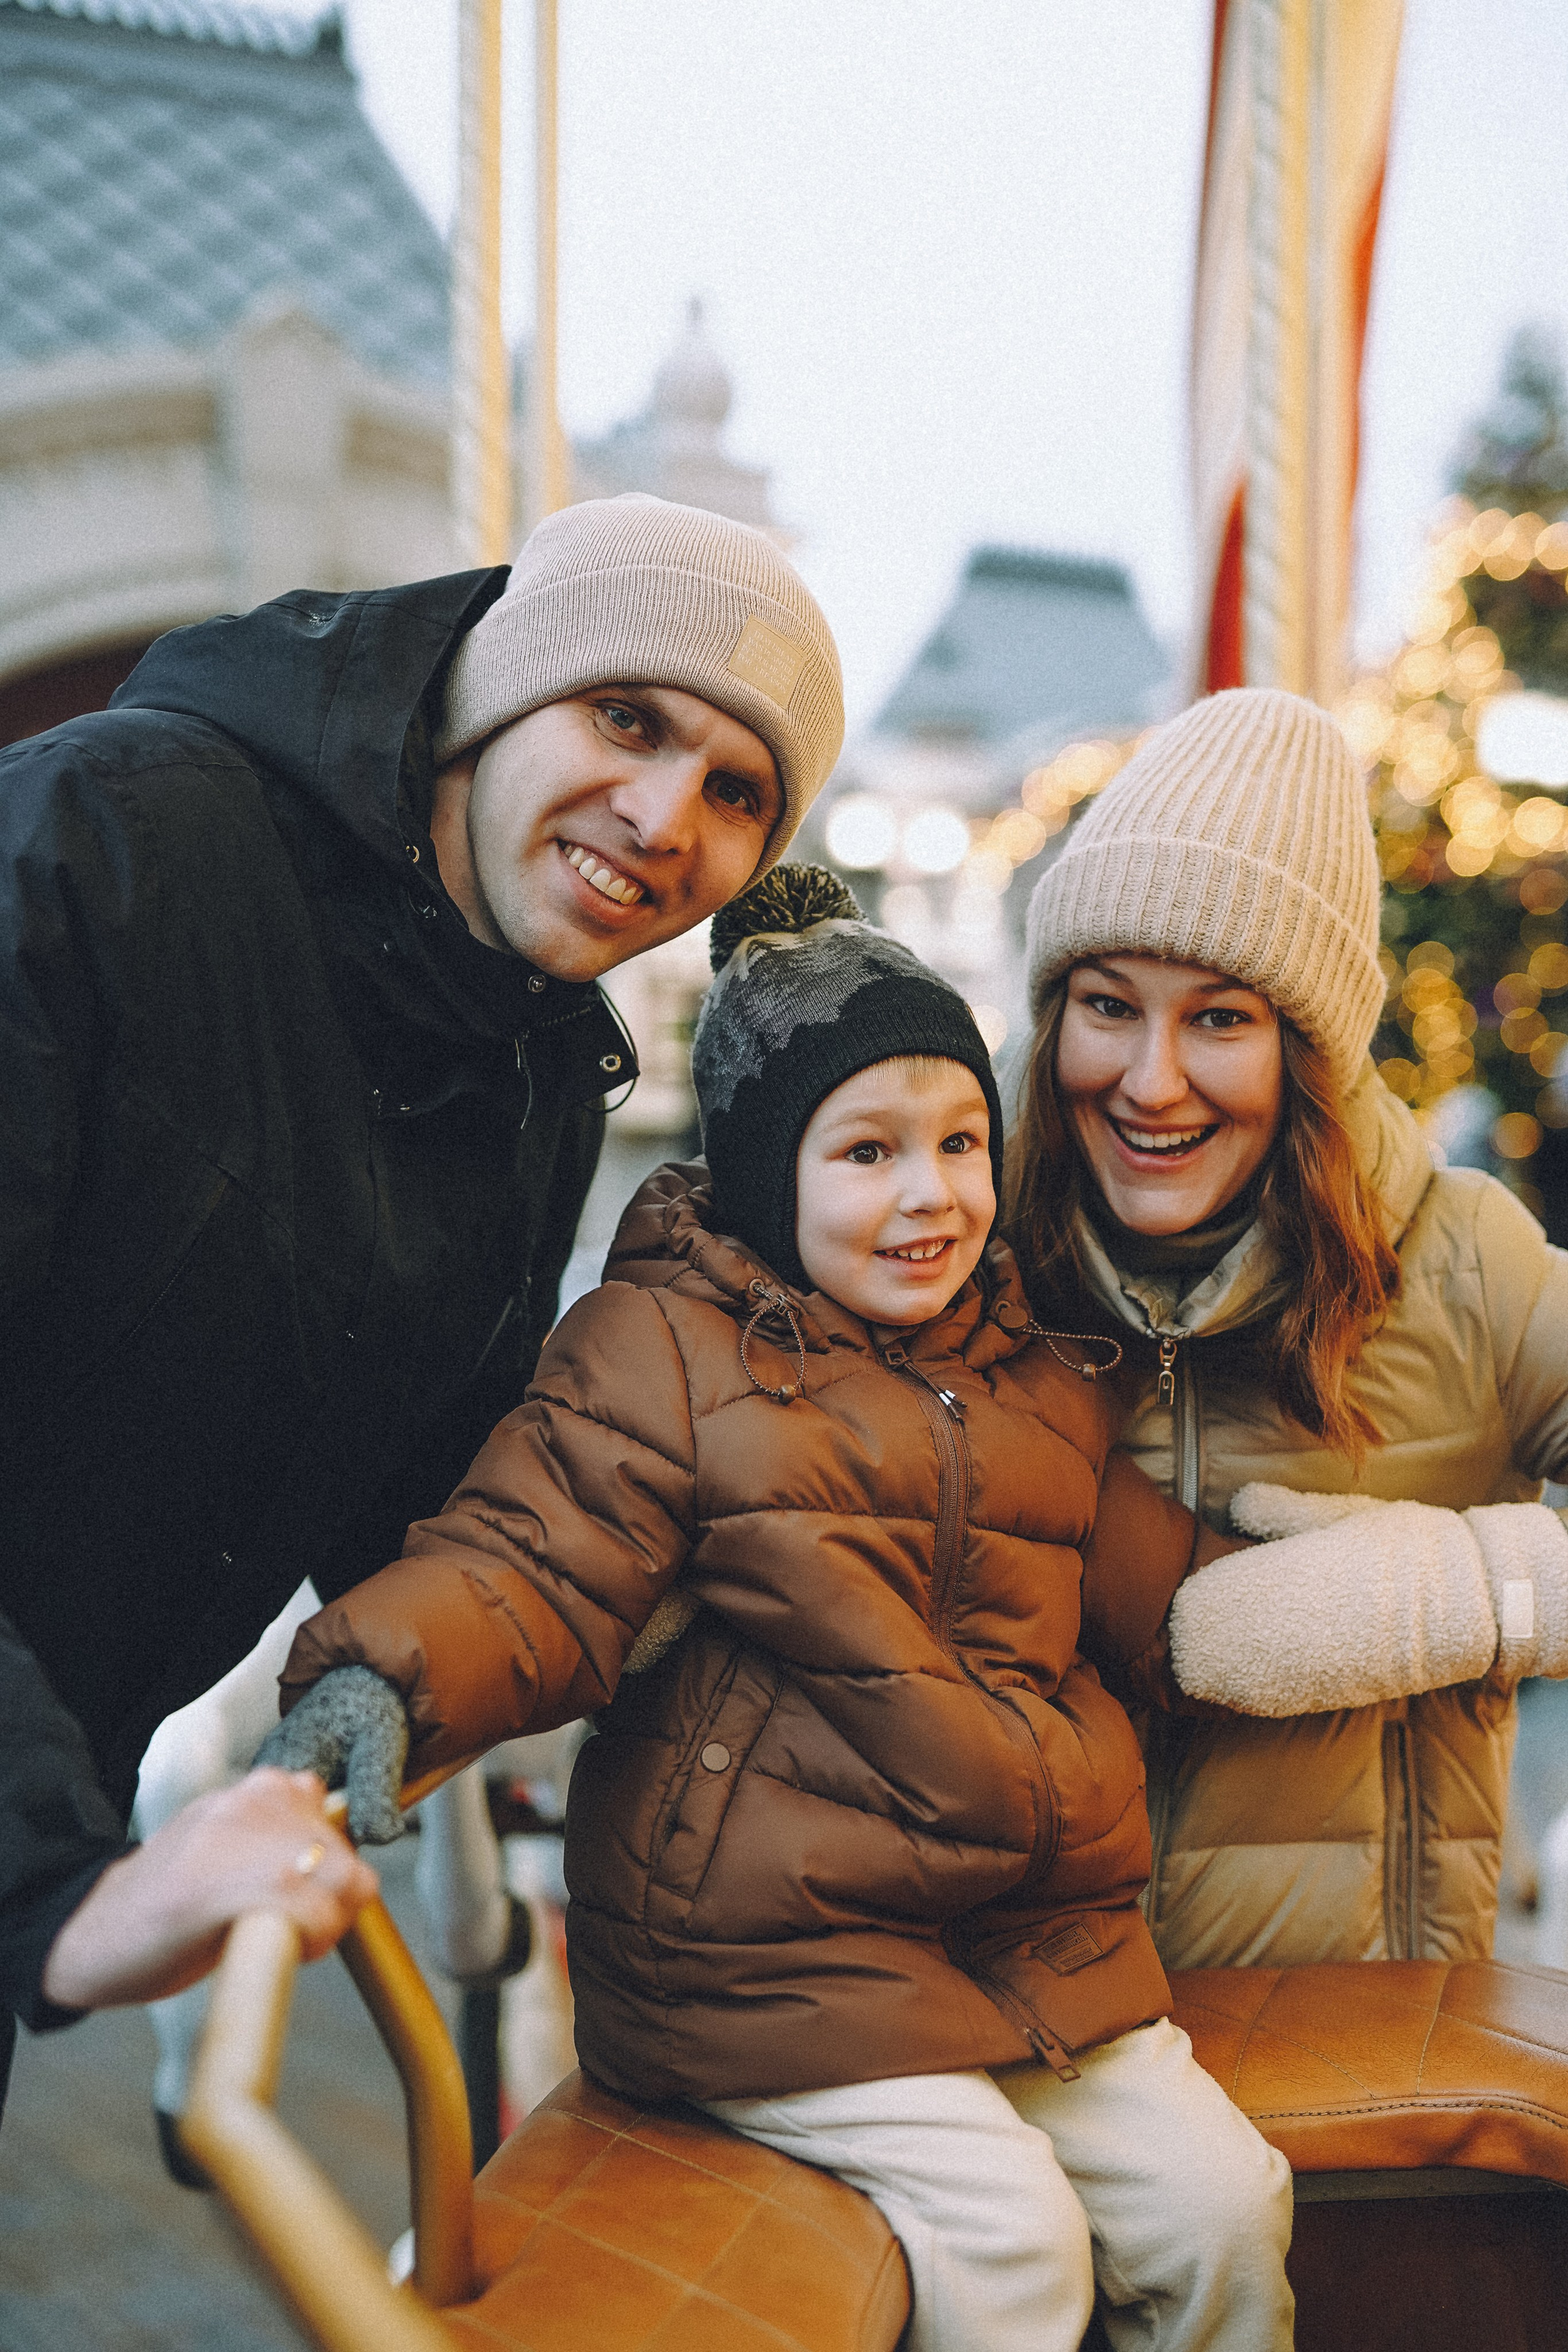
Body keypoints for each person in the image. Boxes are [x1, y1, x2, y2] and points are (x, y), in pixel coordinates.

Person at [261, 868, 1294, 2352]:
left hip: (1017, 1935)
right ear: (764, 1178)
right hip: (759, 1952)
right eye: (866, 1152)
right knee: (1008, 2237)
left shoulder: (1032, 1368)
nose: (929, 1193)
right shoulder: (669, 1352)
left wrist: (1363, 1584)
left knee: (1220, 2208)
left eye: (957, 1143)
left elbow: (1172, 1596)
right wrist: (380, 1674)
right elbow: (532, 1554)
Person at [0, 495, 843, 2103]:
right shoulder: (104, 841)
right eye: (626, 717)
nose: (663, 816)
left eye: (737, 791)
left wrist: (776, 1569)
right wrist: (45, 1882)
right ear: (495, 691)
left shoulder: (534, 1059)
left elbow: (434, 1493)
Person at [1010, 685, 1568, 1972]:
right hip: (1029, 2048)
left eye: (1219, 1017)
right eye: (1107, 1005)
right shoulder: (956, 1259)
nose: (1149, 1081)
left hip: (1364, 2051)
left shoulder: (1461, 1261)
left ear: (1308, 1049)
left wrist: (1459, 1594)